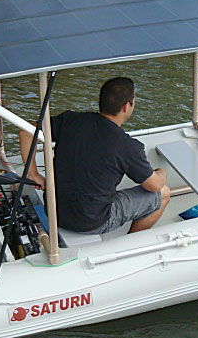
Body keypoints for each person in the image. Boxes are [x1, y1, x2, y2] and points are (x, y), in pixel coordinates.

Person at [19, 77, 170, 235]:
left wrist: (33, 174)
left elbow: (26, 132)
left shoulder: (71, 121)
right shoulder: (128, 146)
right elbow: (154, 186)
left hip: (54, 211)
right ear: (127, 106)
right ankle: (130, 242)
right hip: (91, 222)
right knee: (163, 193)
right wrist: (162, 172)